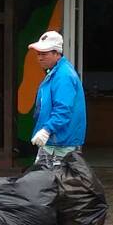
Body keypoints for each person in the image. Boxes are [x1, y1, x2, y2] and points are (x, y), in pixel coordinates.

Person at [28, 30, 86, 162]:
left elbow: (63, 110)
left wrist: (46, 130)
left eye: (44, 54)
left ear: (57, 53)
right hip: (54, 141)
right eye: (38, 54)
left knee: (56, 180)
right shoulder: (56, 72)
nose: (40, 58)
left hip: (61, 143)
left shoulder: (63, 76)